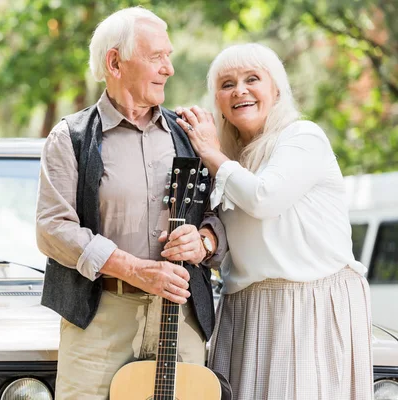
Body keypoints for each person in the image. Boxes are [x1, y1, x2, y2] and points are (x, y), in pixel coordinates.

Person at [35, 6, 227, 400]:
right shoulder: (69, 137)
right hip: (98, 318)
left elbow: (223, 215)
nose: (169, 69)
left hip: (179, 315)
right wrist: (134, 269)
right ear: (115, 62)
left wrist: (206, 240)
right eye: (157, 56)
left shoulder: (191, 134)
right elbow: (53, 228)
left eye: (169, 56)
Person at [174, 42, 373, 399]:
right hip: (245, 307)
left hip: (308, 304)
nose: (240, 90)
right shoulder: (231, 160)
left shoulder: (302, 137)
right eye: (227, 84)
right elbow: (226, 235)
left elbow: (264, 199)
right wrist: (205, 240)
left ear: (276, 89)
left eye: (253, 79)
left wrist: (210, 152)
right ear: (217, 100)